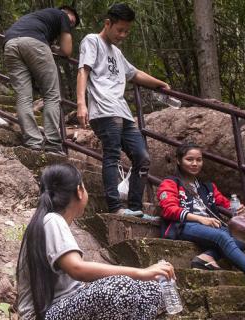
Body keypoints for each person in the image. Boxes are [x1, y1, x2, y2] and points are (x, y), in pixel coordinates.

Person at [17, 163, 175, 320]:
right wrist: (141, 273)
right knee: (120, 286)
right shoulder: (51, 220)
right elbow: (77, 268)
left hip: (66, 308)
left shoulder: (50, 221)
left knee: (154, 289)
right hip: (46, 315)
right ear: (79, 191)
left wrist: (146, 278)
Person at [76, 3, 171, 216]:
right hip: (104, 109)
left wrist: (159, 83)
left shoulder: (117, 53)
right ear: (107, 23)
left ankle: (136, 209)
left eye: (127, 31)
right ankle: (115, 207)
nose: (123, 35)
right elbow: (83, 71)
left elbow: (134, 73)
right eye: (120, 30)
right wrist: (81, 104)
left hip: (122, 111)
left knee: (142, 158)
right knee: (112, 155)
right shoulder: (92, 41)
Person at [157, 142, 245, 279]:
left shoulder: (207, 187)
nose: (195, 163)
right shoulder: (170, 183)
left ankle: (207, 257)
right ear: (178, 160)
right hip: (183, 226)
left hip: (209, 226)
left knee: (244, 237)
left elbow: (225, 203)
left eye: (199, 160)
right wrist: (200, 218)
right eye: (189, 159)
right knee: (222, 236)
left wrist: (239, 208)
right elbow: (169, 209)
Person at [4, 6, 80, 155]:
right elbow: (67, 50)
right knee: (52, 94)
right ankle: (53, 144)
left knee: (23, 96)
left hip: (10, 44)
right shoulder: (61, 15)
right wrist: (57, 49)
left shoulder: (36, 17)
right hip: (34, 43)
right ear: (66, 12)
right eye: (72, 20)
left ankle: (33, 142)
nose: (70, 24)